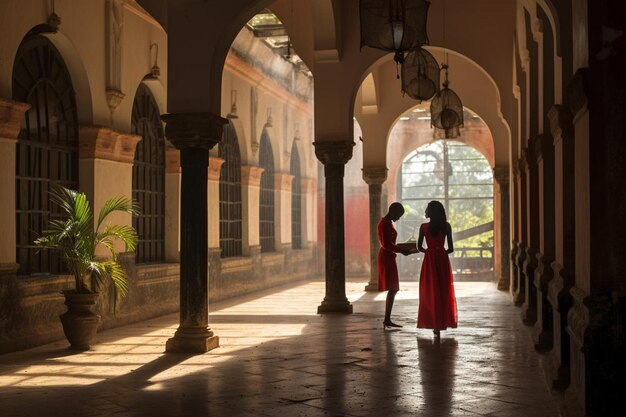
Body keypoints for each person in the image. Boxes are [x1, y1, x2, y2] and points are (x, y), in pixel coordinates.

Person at [416, 201, 458, 337]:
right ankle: (441, 323)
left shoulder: (423, 227)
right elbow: (451, 248)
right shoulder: (446, 226)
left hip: (429, 260)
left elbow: (419, 247)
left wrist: (429, 252)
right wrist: (440, 251)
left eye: (427, 209)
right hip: (442, 259)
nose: (425, 211)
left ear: (431, 212)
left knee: (429, 290)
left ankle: (433, 323)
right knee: (443, 290)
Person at [378, 202, 410, 328]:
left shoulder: (387, 223)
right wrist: (402, 250)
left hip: (389, 256)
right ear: (392, 211)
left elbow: (389, 244)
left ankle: (387, 319)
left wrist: (401, 248)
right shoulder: (385, 224)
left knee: (393, 288)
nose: (399, 218)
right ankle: (387, 319)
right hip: (386, 257)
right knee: (393, 288)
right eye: (398, 215)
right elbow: (387, 245)